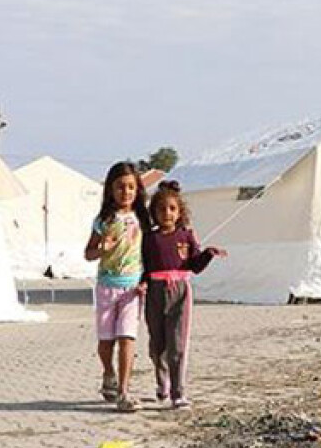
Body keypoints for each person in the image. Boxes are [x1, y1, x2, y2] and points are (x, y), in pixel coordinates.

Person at [141, 181, 227, 409]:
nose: (166, 213)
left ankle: (178, 392)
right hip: (155, 293)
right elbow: (144, 266)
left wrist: (208, 254)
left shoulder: (186, 236)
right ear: (154, 212)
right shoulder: (149, 239)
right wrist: (141, 284)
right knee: (157, 344)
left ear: (180, 212)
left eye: (172, 208)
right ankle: (162, 384)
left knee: (177, 342)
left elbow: (194, 265)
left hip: (180, 292)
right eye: (161, 209)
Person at [84, 161, 150, 413]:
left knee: (127, 337)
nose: (126, 192)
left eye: (131, 187)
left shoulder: (142, 219)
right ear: (111, 190)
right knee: (106, 341)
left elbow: (149, 252)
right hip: (106, 288)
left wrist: (146, 280)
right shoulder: (103, 220)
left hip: (132, 289)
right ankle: (108, 373)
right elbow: (88, 253)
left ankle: (124, 391)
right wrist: (103, 248)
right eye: (121, 187)